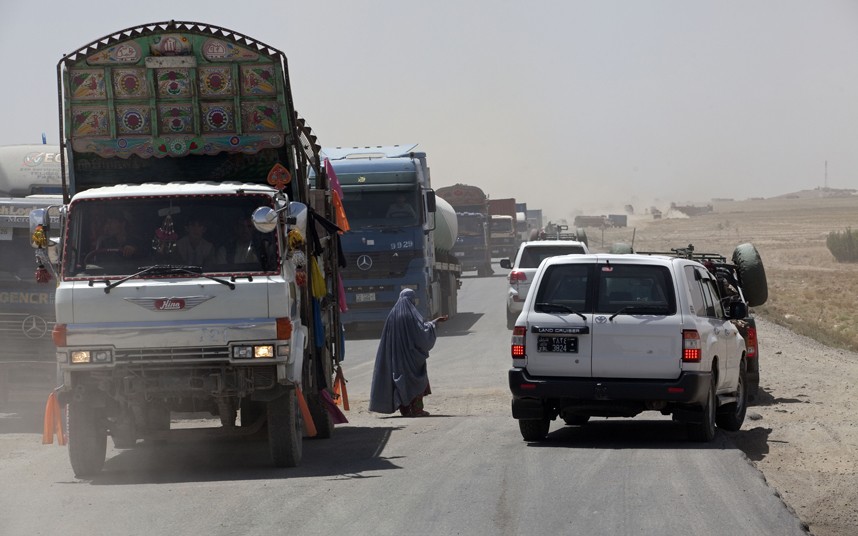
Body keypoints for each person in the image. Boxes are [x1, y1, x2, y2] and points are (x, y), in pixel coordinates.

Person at [369, 289, 448, 417]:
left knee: (401, 381)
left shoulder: (392, 315)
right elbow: (422, 332)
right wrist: (435, 322)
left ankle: (405, 410)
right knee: (417, 379)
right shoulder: (411, 315)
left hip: (396, 358)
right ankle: (417, 410)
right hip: (412, 358)